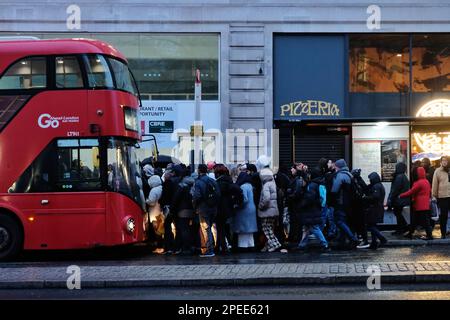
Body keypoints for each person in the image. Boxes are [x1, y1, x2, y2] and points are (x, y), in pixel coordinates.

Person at [297, 168, 330, 252]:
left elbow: (309, 198)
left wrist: (301, 204)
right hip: (312, 210)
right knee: (306, 228)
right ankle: (302, 244)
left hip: (311, 211)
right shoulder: (314, 184)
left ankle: (324, 243)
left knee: (314, 227)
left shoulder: (311, 186)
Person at [193, 164, 221, 257]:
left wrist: (195, 206)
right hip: (213, 208)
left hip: (203, 208)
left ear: (199, 171)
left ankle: (209, 250)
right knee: (212, 228)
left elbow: (197, 196)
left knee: (206, 228)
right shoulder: (213, 181)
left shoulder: (198, 182)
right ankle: (214, 247)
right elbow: (218, 194)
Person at [330, 159, 359, 249]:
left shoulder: (340, 175)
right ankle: (341, 240)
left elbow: (334, 190)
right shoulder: (349, 174)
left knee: (339, 221)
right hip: (350, 203)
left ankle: (352, 238)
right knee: (344, 221)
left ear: (338, 167)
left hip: (341, 202)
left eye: (335, 167)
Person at [257, 156, 283, 253]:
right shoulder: (272, 182)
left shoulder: (266, 185)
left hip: (267, 211)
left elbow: (266, 198)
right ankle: (268, 247)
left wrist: (261, 206)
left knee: (266, 229)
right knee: (270, 228)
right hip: (273, 210)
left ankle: (276, 244)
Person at [400, 167, 433, 240]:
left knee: (423, 222)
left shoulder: (419, 183)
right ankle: (410, 233)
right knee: (416, 220)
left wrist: (400, 195)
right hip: (425, 205)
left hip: (420, 205)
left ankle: (430, 236)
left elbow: (411, 192)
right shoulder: (426, 181)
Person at [231, 170, 258, 251]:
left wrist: (237, 205)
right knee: (249, 230)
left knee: (243, 229)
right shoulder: (250, 186)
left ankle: (243, 246)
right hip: (252, 209)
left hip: (244, 210)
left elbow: (244, 199)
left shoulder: (243, 186)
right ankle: (251, 245)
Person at [171, 167, 195, 255]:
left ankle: (185, 247)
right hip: (192, 209)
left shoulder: (182, 185)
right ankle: (189, 246)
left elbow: (176, 198)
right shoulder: (193, 184)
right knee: (188, 228)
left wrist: (172, 208)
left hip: (182, 210)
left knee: (183, 229)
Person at [361, 172, 388, 250]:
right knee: (373, 225)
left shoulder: (376, 186)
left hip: (374, 208)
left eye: (370, 179)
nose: (370, 181)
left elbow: (375, 197)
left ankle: (382, 238)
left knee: (370, 225)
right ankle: (374, 243)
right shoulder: (379, 185)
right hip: (377, 208)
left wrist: (365, 197)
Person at [214, 164, 234, 253]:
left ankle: (223, 247)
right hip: (227, 208)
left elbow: (217, 197)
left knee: (220, 228)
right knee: (222, 228)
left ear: (217, 173)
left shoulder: (219, 183)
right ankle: (220, 246)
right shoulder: (229, 181)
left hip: (220, 208)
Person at [388, 162, 410, 235]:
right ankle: (403, 228)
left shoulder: (399, 177)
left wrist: (390, 199)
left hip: (399, 200)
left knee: (398, 214)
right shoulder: (403, 176)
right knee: (399, 214)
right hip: (402, 199)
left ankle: (401, 229)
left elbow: (395, 190)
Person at [432, 156, 450, 239]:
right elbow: (435, 184)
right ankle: (443, 232)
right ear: (441, 162)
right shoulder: (438, 171)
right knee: (444, 215)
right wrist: (434, 195)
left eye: (446, 161)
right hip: (442, 196)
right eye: (443, 161)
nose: (445, 162)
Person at [351, 169, 370, 248]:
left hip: (358, 206)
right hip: (361, 205)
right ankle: (362, 238)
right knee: (361, 223)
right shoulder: (360, 180)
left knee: (361, 224)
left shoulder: (355, 182)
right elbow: (366, 189)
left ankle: (364, 240)